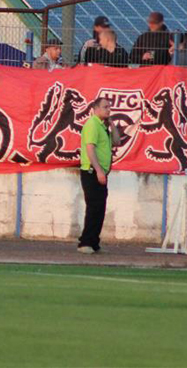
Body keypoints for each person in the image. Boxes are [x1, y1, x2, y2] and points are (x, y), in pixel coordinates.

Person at [78, 97, 121, 254]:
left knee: (100, 208)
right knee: (94, 207)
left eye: (109, 107)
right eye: (105, 107)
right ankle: (85, 243)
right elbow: (90, 149)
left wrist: (111, 124)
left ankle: (94, 242)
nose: (108, 110)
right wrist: (98, 170)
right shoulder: (92, 125)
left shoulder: (103, 127)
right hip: (91, 171)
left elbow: (117, 142)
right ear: (95, 109)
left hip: (99, 172)